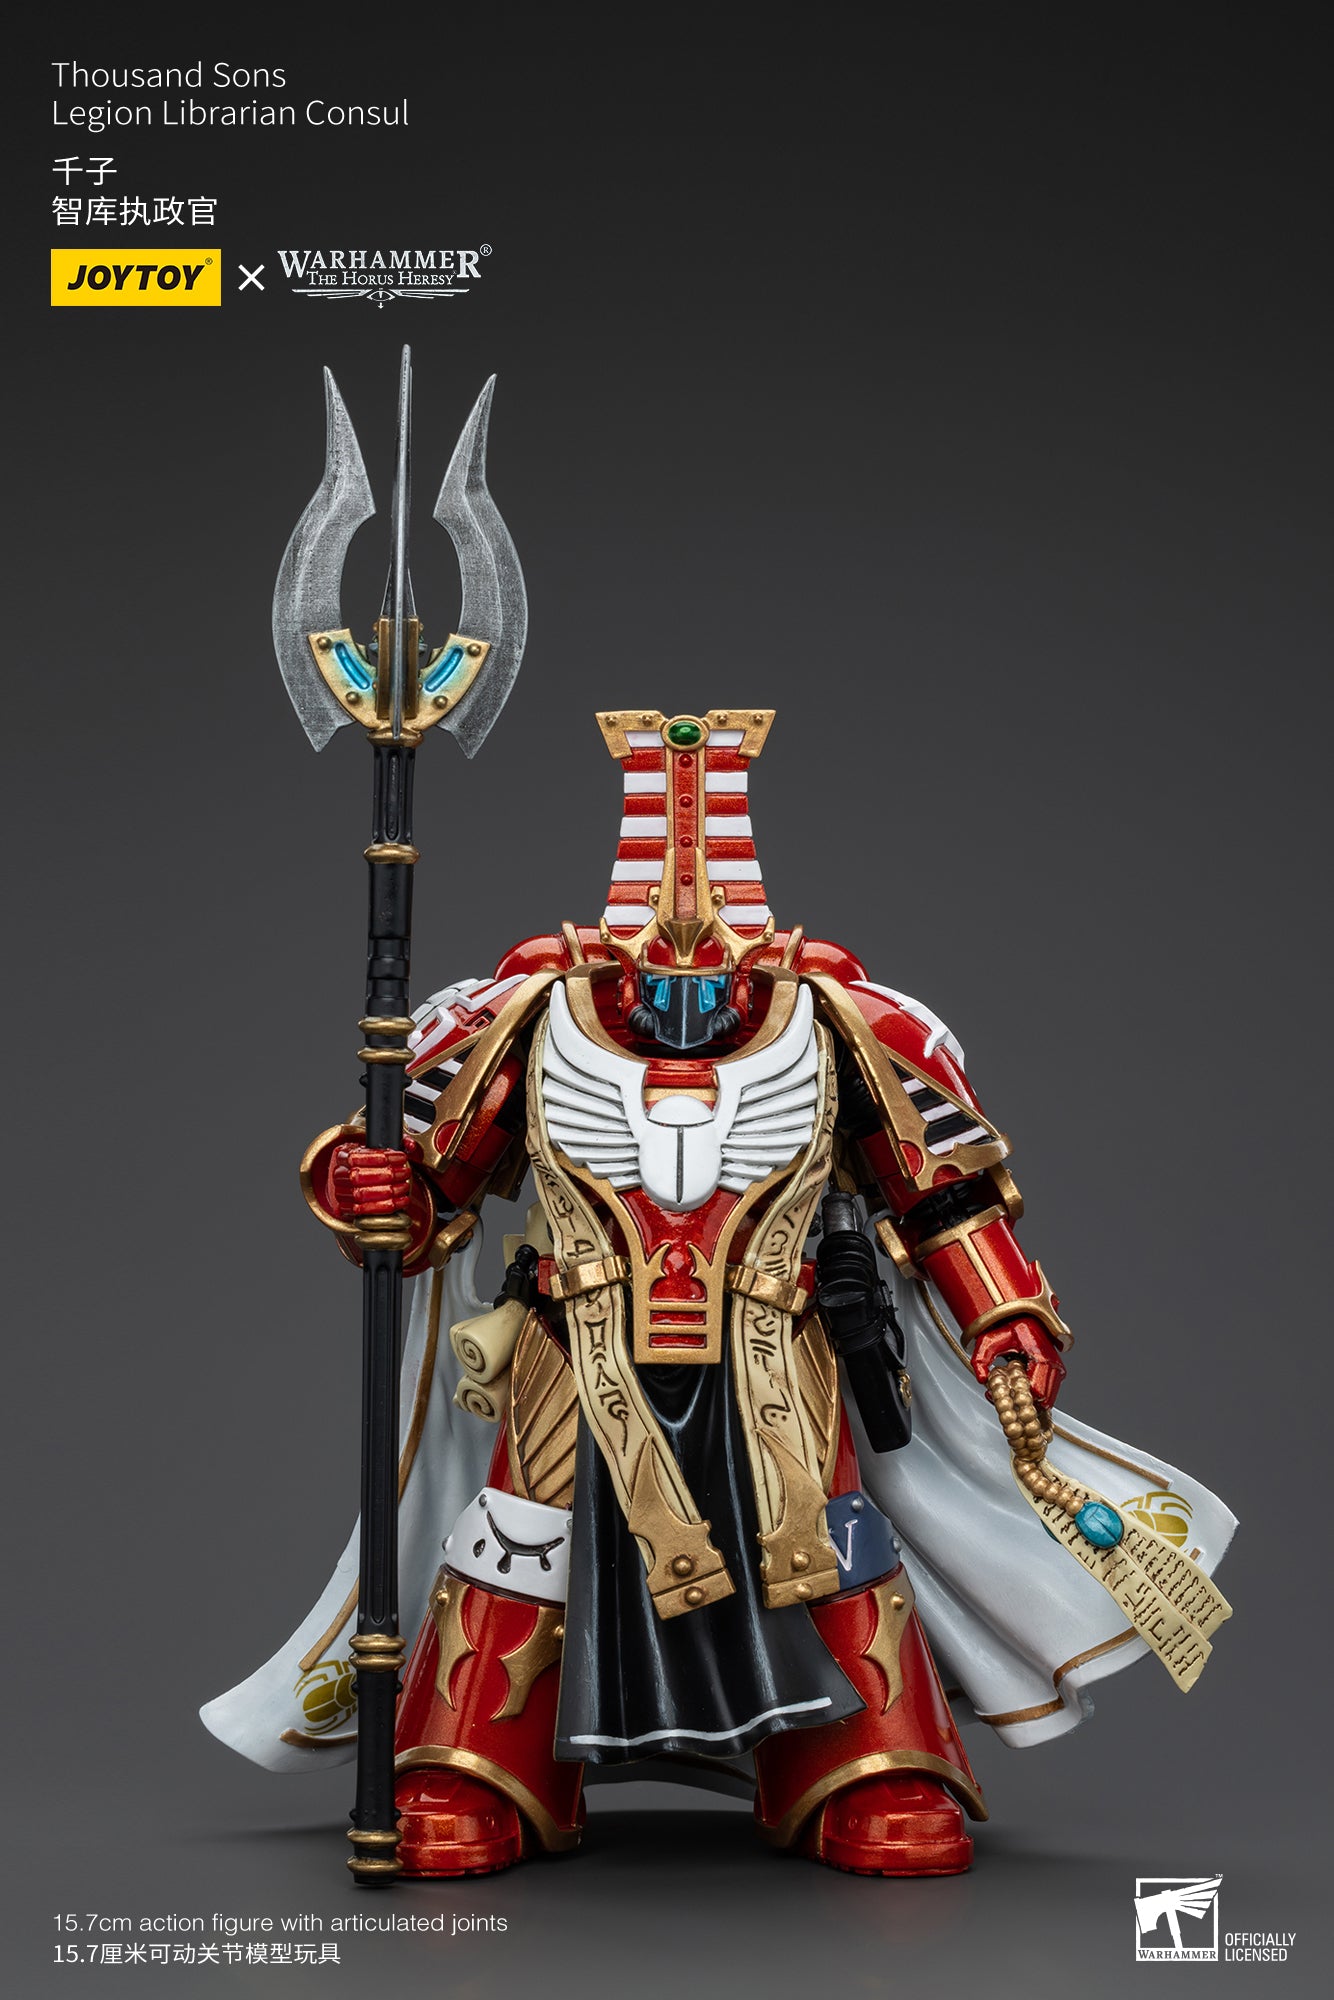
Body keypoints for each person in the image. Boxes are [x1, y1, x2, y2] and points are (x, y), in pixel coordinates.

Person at [202, 707, 1234, 1877]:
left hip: (774, 1341)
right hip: (573, 1340)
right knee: (525, 1534)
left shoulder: (839, 1021)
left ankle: (869, 1763)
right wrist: (371, 1180)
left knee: (821, 1537)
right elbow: (428, 1190)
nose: (681, 946)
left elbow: (940, 1195)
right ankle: (476, 1761)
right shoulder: (526, 1017)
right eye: (655, 944)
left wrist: (1002, 1315)